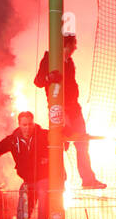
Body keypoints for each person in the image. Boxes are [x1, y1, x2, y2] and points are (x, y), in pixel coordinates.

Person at [34, 35, 105, 190]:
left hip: (74, 108)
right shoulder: (49, 59)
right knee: (60, 144)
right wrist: (49, 77)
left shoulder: (70, 62)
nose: (76, 48)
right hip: (60, 108)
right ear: (66, 45)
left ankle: (88, 179)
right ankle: (58, 179)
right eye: (74, 44)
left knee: (82, 141)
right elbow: (38, 81)